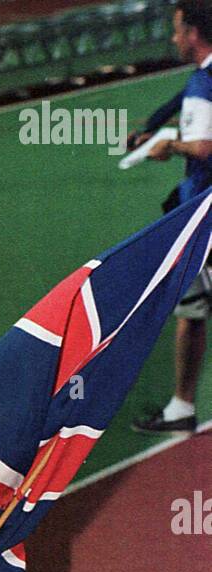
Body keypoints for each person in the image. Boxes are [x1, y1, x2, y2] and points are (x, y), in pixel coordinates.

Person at [132, 1, 212, 435]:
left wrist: (168, 146)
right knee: (193, 308)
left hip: (202, 217)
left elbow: (202, 146)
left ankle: (181, 406)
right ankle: (181, 406)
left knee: (192, 307)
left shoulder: (203, 81)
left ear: (194, 33)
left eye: (178, 30)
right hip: (200, 213)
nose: (174, 38)